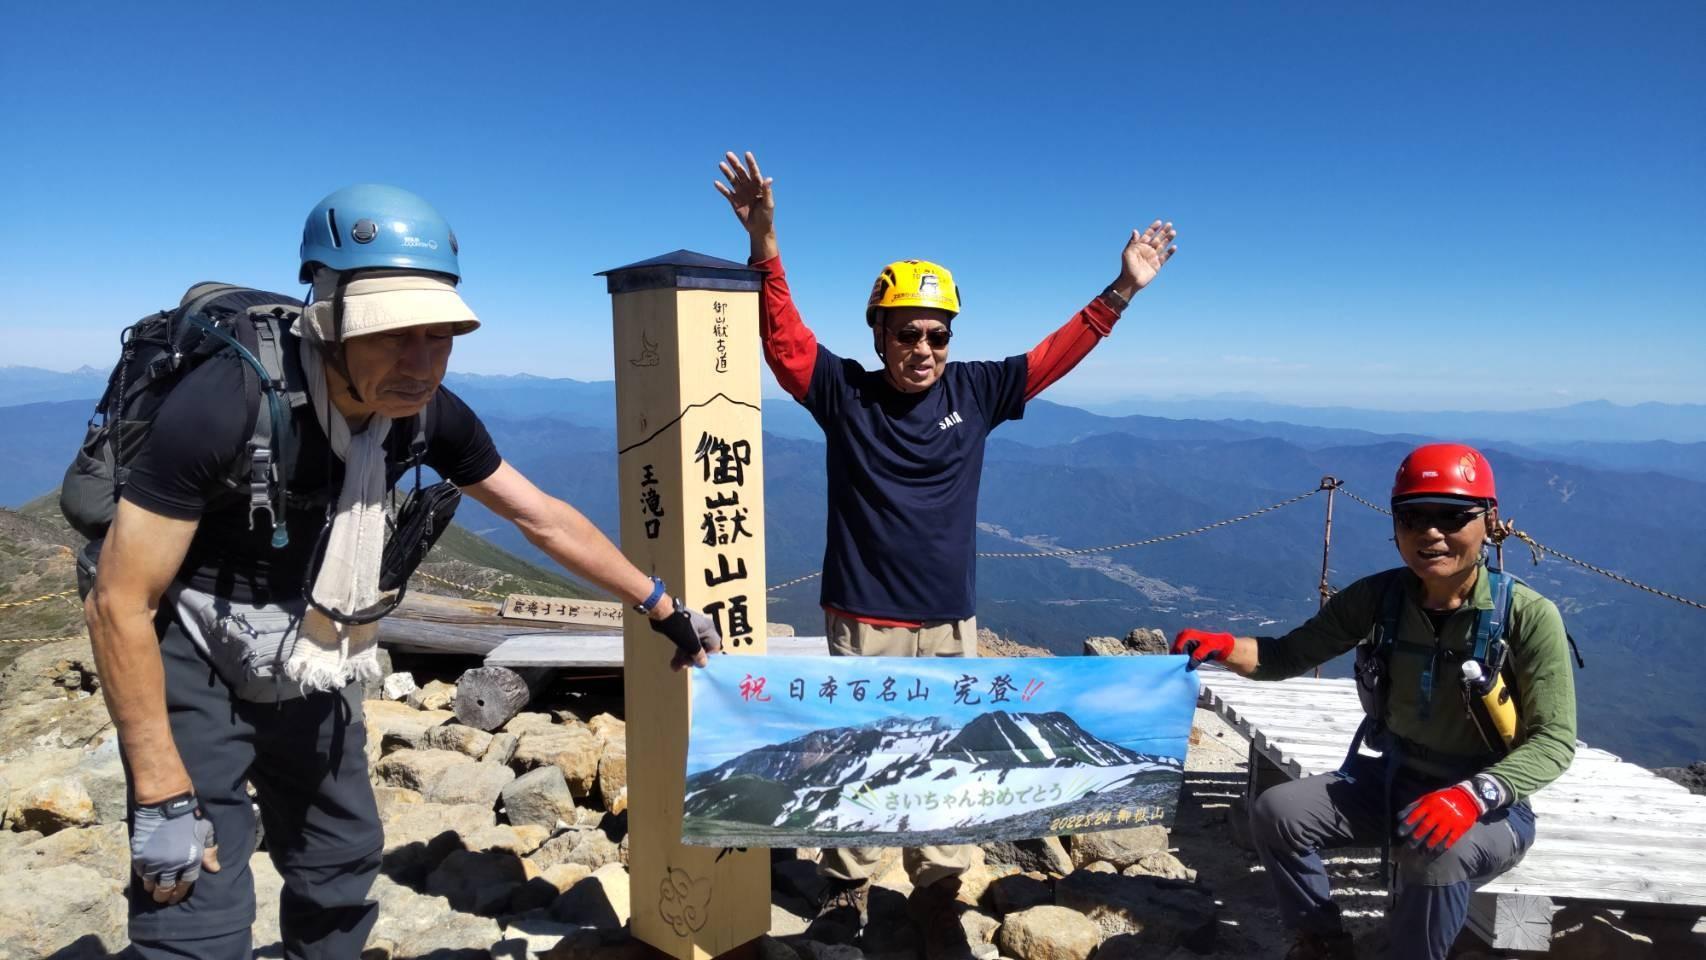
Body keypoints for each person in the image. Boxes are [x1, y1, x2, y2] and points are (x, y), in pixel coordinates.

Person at [84, 183, 722, 959]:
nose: (420, 362)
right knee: (191, 883)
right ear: (329, 317)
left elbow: (541, 516)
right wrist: (156, 787)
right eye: (393, 334)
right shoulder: (227, 402)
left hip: (312, 644)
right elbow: (119, 599)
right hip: (189, 645)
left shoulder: (424, 412)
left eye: (440, 336)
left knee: (340, 855)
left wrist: (661, 605)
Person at [714, 151, 1177, 949]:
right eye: (907, 333)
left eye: (936, 333)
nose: (923, 347)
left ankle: (937, 886)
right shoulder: (845, 394)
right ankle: (847, 887)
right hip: (862, 613)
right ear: (881, 334)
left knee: (947, 760)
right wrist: (766, 245)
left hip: (949, 617)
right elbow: (787, 344)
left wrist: (1123, 289)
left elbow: (1055, 354)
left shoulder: (977, 390)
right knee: (860, 758)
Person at [1171, 444, 1578, 960]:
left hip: (1490, 808)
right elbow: (1288, 654)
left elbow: (1555, 741)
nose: (1431, 532)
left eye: (1451, 516)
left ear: (1488, 520)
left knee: (1438, 850)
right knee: (1278, 811)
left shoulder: (1527, 616)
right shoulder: (1379, 599)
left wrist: (1472, 795)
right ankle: (1322, 942)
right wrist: (1226, 648)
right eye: (1413, 516)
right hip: (1391, 779)